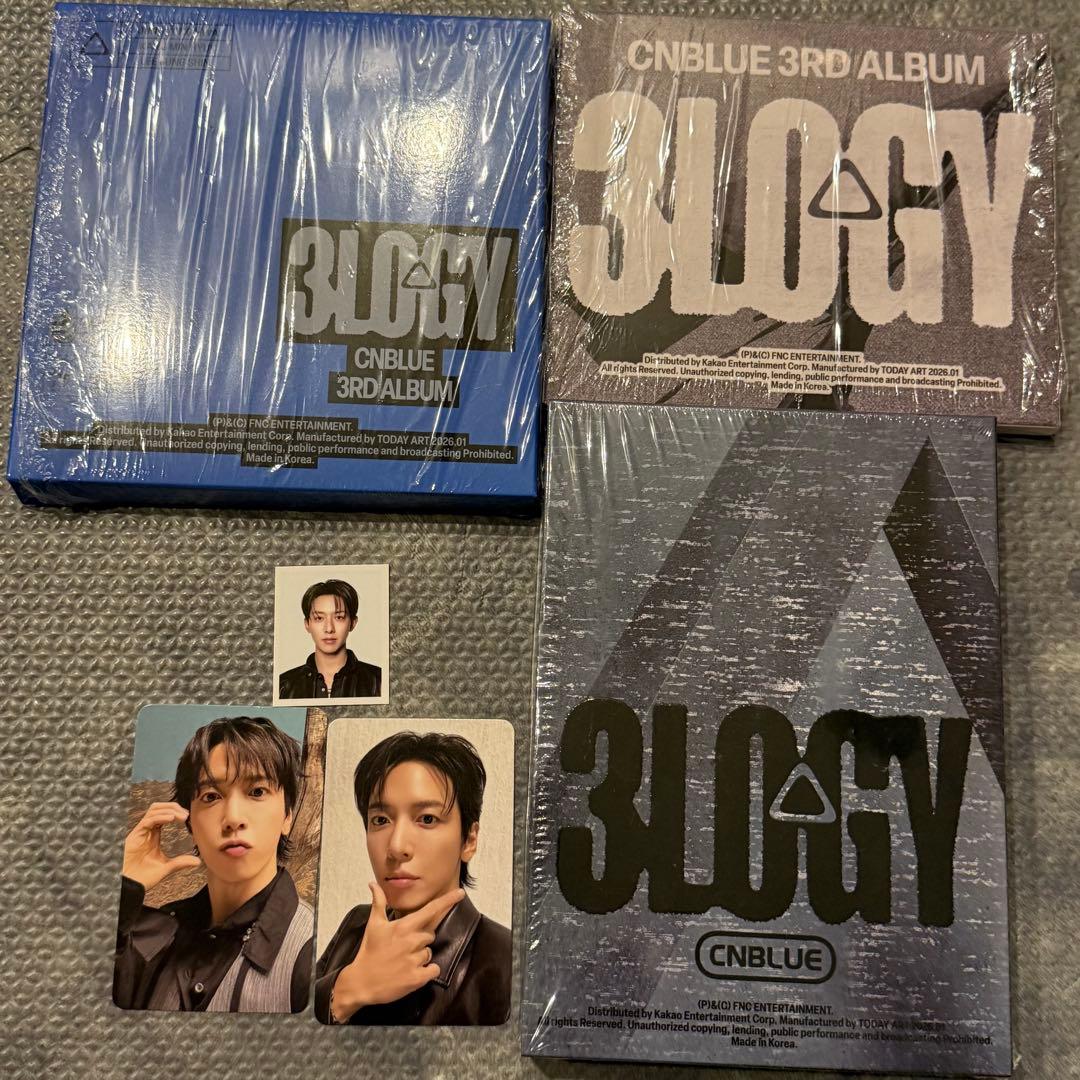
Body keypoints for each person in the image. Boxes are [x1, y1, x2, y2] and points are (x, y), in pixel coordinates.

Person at [113, 715, 313, 1013]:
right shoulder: (148, 937)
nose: (233, 818)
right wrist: (124, 889)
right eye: (211, 796)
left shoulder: (310, 949)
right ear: (189, 822)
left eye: (257, 792)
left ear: (287, 816)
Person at [314, 731, 510, 1025]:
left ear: (469, 840)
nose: (396, 847)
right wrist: (348, 989)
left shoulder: (507, 961)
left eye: (427, 819)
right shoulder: (355, 925)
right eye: (381, 820)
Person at [278, 578, 382, 699]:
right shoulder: (283, 685)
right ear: (307, 624)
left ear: (353, 623)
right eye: (319, 618)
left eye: (339, 617)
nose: (329, 629)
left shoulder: (379, 680)